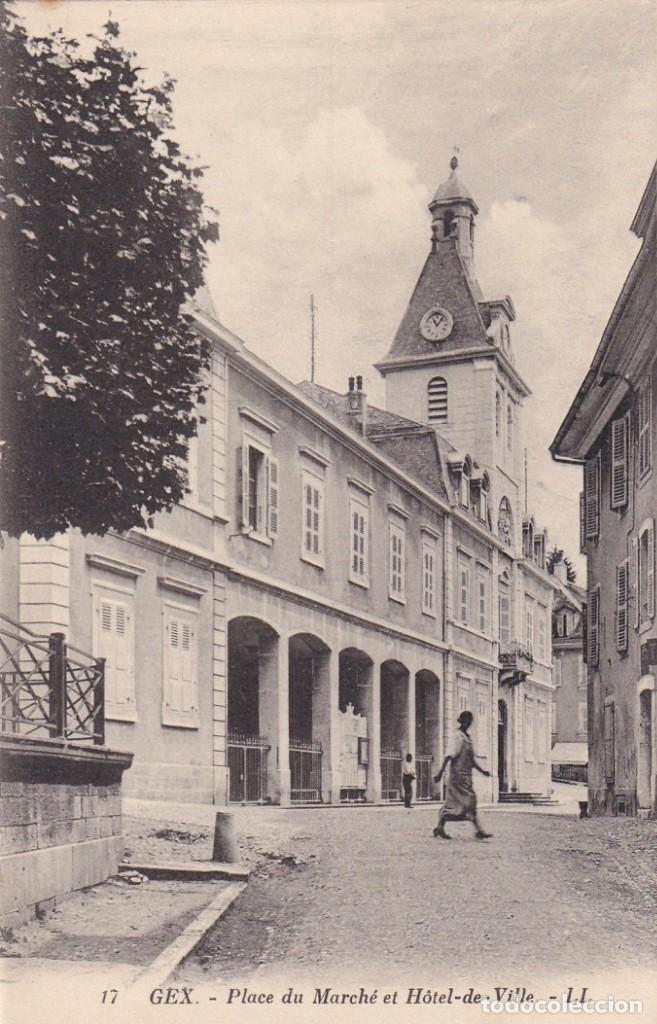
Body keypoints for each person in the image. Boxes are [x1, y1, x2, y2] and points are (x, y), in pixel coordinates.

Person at [432, 710, 493, 840]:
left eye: (470, 721)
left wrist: (483, 771)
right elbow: (448, 756)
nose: (469, 723)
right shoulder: (458, 737)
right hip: (457, 778)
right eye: (468, 721)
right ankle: (477, 830)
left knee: (467, 803)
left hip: (466, 777)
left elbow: (472, 760)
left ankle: (441, 827)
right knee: (462, 803)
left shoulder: (468, 738)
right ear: (463, 721)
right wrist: (440, 773)